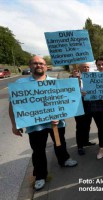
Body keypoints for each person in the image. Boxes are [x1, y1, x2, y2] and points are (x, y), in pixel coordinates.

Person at [9, 56, 77, 191]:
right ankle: (40, 176)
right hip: (35, 126)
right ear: (30, 66)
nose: (38, 65)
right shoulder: (21, 84)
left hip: (55, 123)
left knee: (60, 143)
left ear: (46, 66)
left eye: (41, 63)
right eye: (35, 63)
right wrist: (14, 125)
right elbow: (13, 105)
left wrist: (60, 115)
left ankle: (64, 160)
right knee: (38, 150)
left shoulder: (55, 82)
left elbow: (63, 102)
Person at [70, 63, 97, 156]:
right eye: (84, 67)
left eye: (88, 67)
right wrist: (75, 79)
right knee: (80, 126)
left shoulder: (92, 77)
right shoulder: (72, 78)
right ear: (79, 68)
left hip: (89, 104)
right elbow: (70, 91)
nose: (86, 68)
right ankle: (80, 146)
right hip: (78, 105)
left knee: (88, 124)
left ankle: (86, 141)